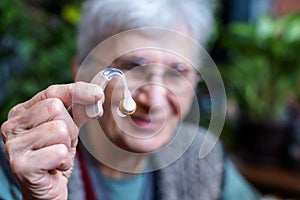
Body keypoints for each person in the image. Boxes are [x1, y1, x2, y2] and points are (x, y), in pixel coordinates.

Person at [0, 0, 260, 199]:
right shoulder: (23, 163)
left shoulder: (200, 160)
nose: (155, 100)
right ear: (82, 70)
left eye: (177, 72)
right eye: (133, 66)